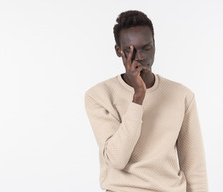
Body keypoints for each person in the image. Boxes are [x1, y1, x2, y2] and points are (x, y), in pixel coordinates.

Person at [84, 10, 209, 192]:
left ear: (155, 45)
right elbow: (116, 159)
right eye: (130, 50)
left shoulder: (181, 95)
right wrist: (138, 98)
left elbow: (194, 166)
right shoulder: (99, 95)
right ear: (119, 51)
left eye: (146, 48)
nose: (140, 57)